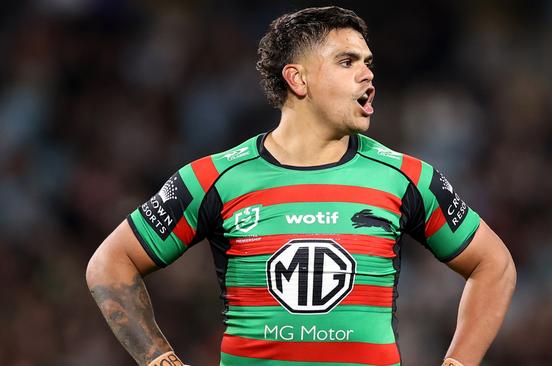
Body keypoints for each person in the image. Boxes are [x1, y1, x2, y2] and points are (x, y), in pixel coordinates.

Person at [86, 6, 516, 366]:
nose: (367, 75)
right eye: (347, 62)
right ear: (298, 79)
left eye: (368, 63)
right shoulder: (214, 179)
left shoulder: (405, 178)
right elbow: (110, 263)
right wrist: (161, 361)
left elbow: (494, 266)